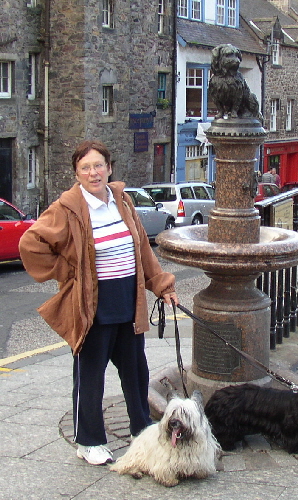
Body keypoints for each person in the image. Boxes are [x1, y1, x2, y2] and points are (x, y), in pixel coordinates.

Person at [19, 140, 179, 466]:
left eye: (98, 165)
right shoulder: (67, 208)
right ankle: (89, 441)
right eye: (85, 168)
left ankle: (142, 431)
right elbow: (31, 244)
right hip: (93, 306)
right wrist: (70, 271)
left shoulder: (122, 200)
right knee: (90, 377)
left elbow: (142, 251)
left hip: (128, 301)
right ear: (77, 173)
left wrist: (162, 285)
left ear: (109, 167)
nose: (93, 173)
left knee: (136, 373)